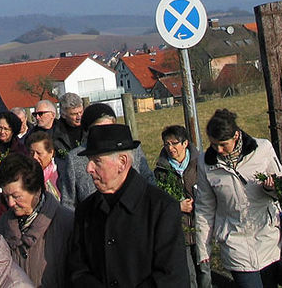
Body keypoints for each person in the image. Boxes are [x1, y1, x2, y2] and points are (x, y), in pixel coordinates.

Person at [67, 124, 189, 287]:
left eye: (97, 161)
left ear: (122, 162)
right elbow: (78, 269)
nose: (88, 168)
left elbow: (171, 277)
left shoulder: (161, 208)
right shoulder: (86, 211)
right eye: (89, 161)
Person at [194, 108, 282, 288]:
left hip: (268, 236)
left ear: (236, 136)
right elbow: (205, 207)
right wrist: (203, 249)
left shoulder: (262, 149)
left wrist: (272, 188)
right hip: (234, 241)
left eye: (223, 144)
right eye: (213, 144)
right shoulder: (205, 163)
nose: (218, 150)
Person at [0, 153, 74, 288]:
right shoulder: (3, 224)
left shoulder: (66, 222)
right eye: (6, 196)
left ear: (37, 191)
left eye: (16, 196)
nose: (10, 203)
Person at [60, 103, 154, 210]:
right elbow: (68, 201)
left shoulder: (132, 150)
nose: (105, 133)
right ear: (88, 131)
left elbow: (148, 179)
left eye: (109, 127)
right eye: (99, 129)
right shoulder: (74, 158)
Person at [154, 124, 210, 288]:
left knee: (205, 272)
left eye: (174, 143)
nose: (170, 148)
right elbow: (159, 202)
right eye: (167, 144)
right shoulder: (160, 171)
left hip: (201, 227)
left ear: (185, 143)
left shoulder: (200, 164)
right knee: (188, 274)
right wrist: (177, 207)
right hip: (179, 231)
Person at [24, 130, 68, 201]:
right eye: (31, 153)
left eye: (39, 153)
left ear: (51, 153)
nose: (34, 157)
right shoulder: (25, 175)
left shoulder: (62, 173)